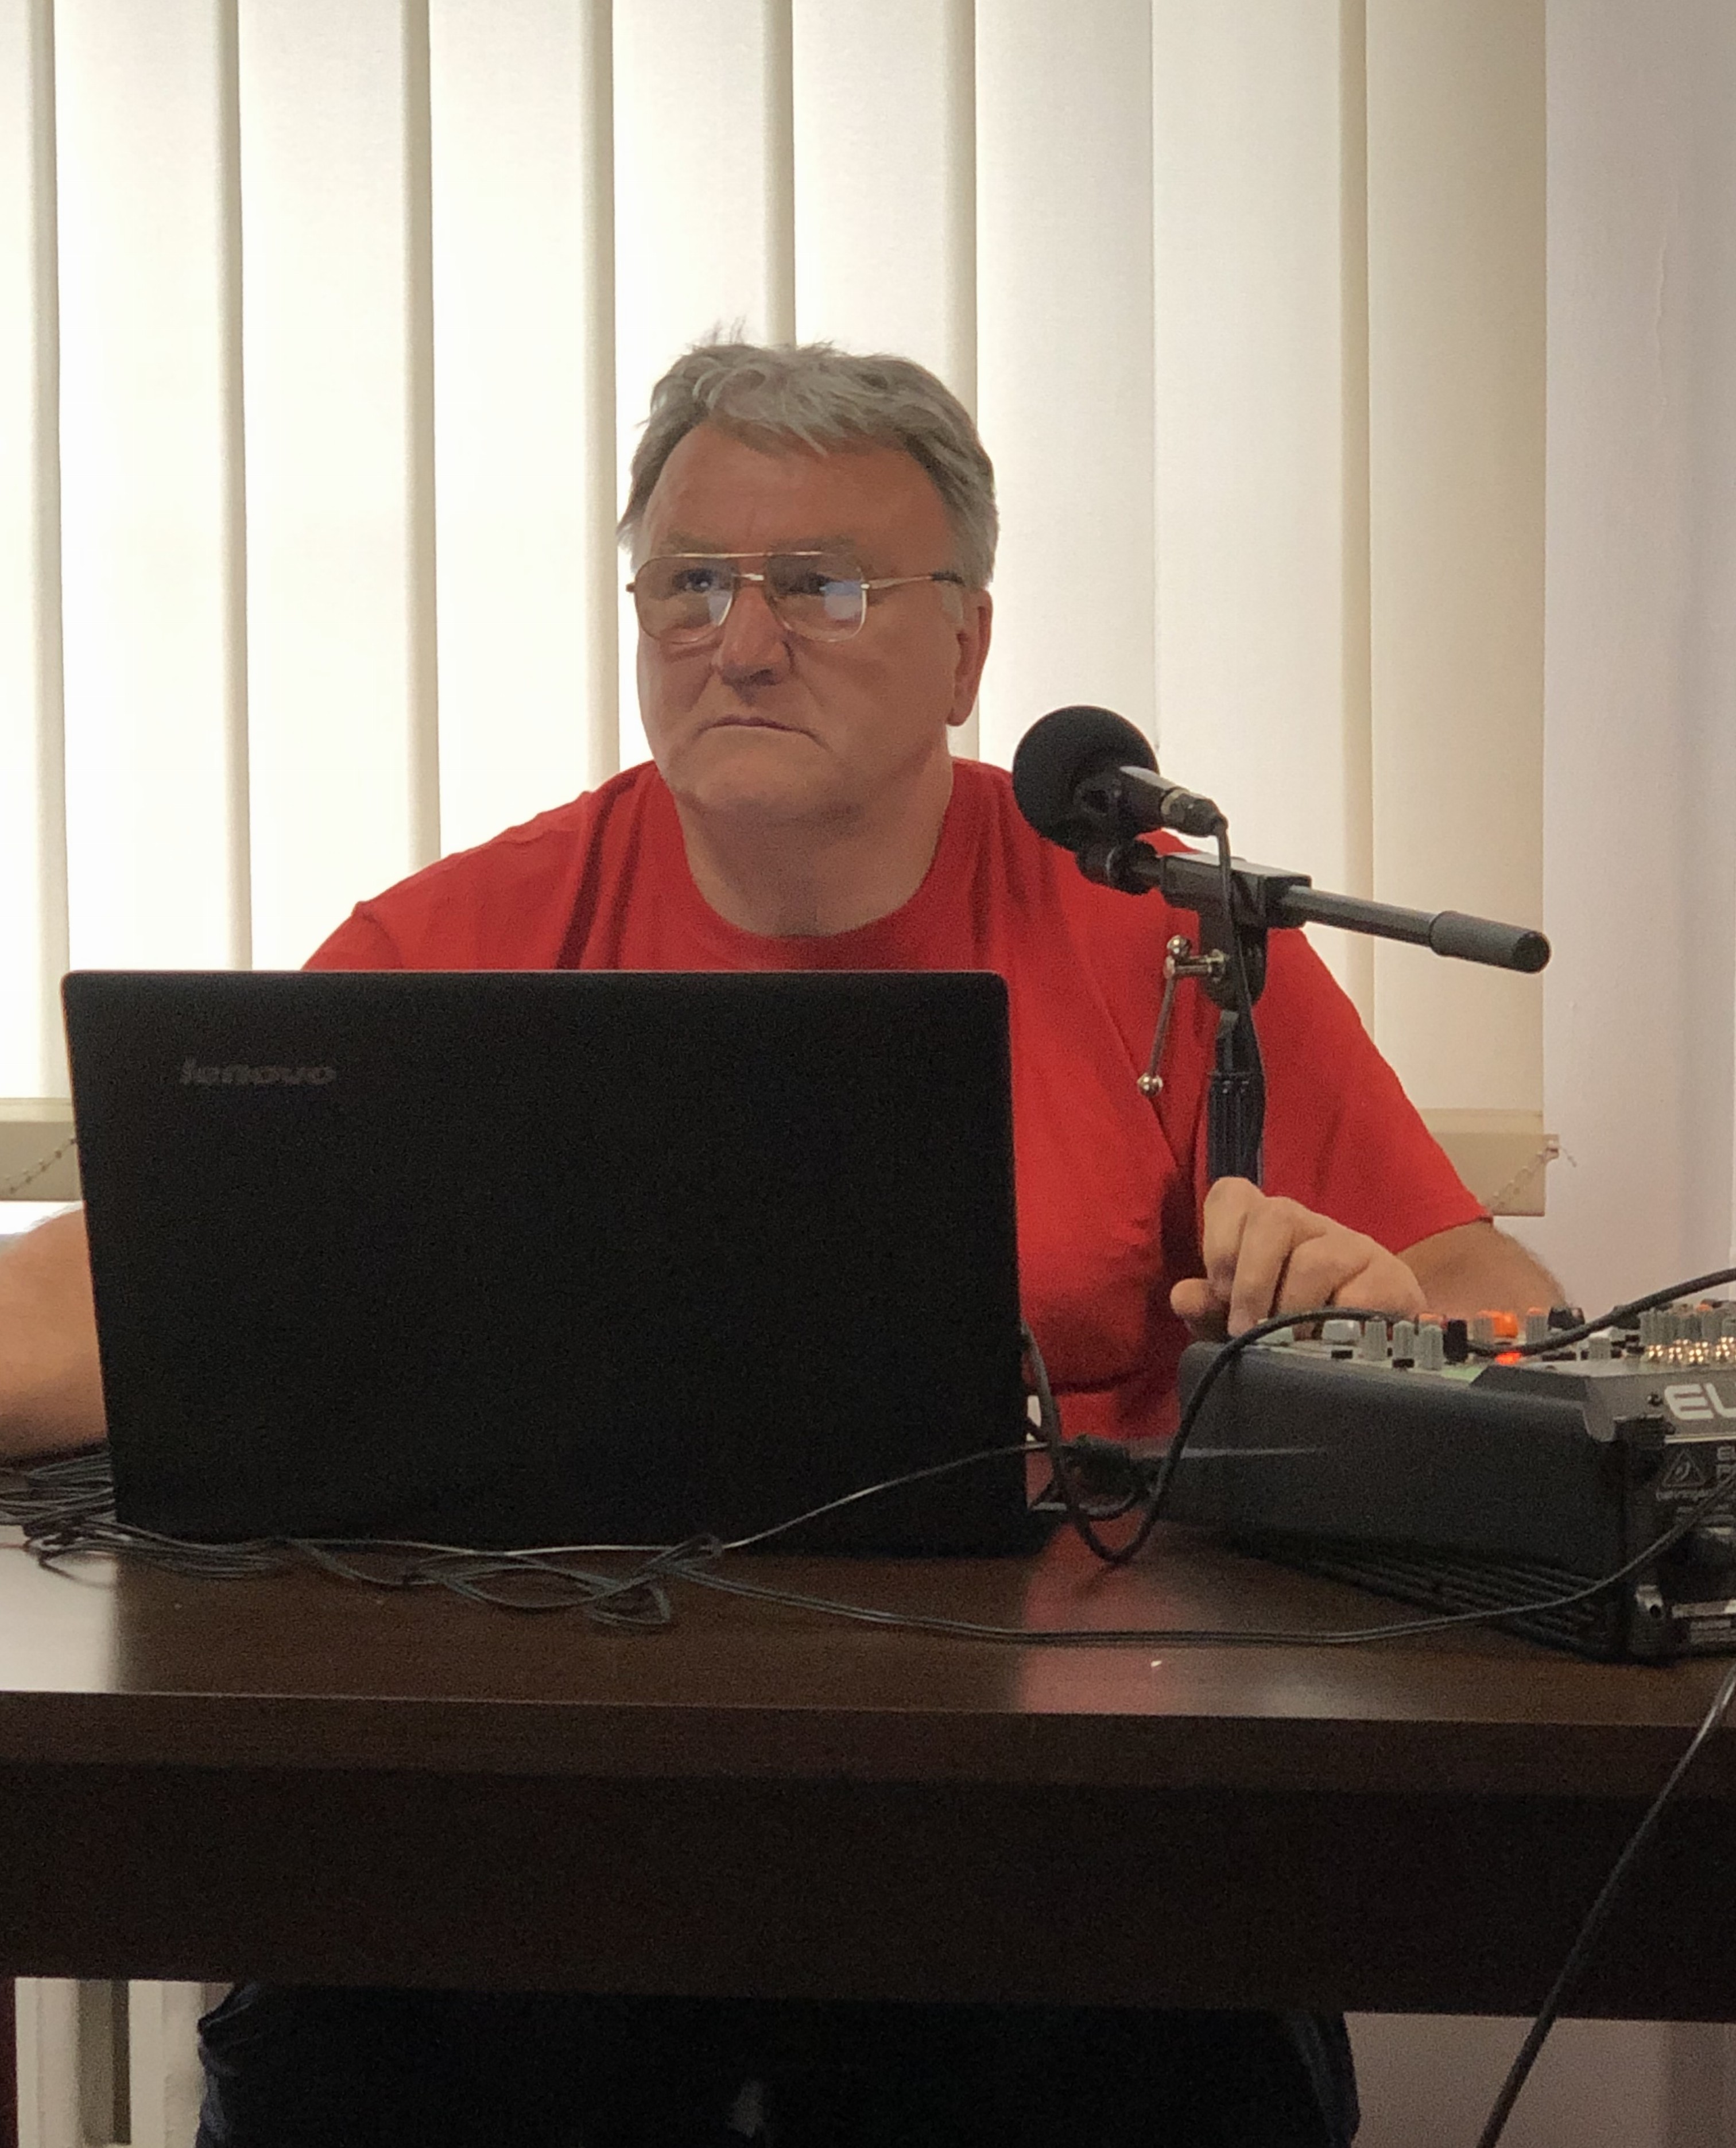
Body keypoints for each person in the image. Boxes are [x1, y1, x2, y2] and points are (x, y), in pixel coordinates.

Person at [0, 341, 1559, 2144]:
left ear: (967, 648)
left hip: (1053, 1823)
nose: (739, 643)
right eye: (690, 583)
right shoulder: (464, 942)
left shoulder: (1166, 944)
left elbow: (1508, 1316)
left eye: (820, 587)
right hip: (531, 1806)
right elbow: (116, 1305)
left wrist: (1379, 1332)